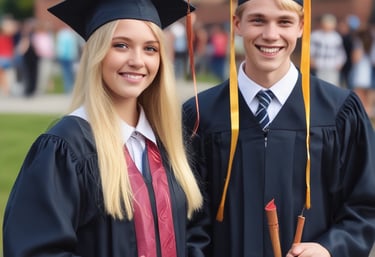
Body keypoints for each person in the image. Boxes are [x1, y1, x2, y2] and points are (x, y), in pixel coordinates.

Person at [3, 0, 208, 256]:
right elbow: (37, 249)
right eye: (121, 45)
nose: (137, 60)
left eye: (150, 49)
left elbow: (194, 231)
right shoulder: (66, 147)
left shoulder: (170, 143)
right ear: (97, 52)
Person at [183, 0, 375, 257]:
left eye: (284, 21)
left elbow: (365, 205)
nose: (271, 35)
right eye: (258, 20)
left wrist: (330, 249)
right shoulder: (199, 115)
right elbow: (186, 219)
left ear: (301, 26)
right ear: (237, 24)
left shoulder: (339, 112)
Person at [310, 13, 347, 86]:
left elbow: (341, 53)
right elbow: (310, 50)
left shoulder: (336, 37)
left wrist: (340, 63)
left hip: (332, 66)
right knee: (318, 85)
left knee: (332, 86)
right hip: (319, 66)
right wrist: (311, 59)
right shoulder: (315, 36)